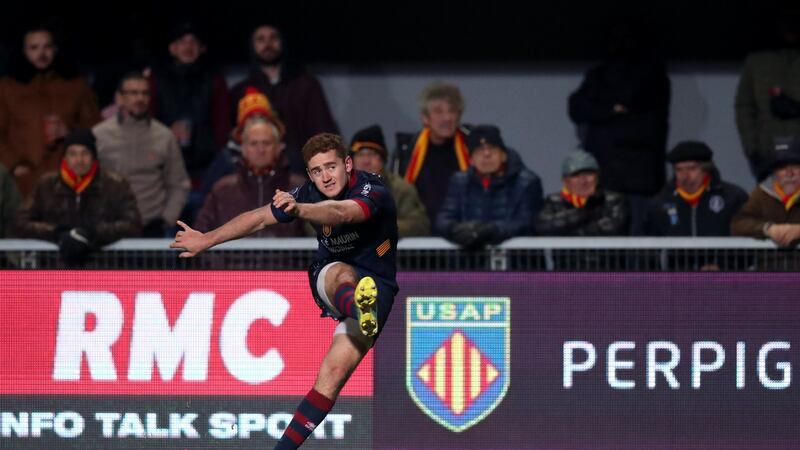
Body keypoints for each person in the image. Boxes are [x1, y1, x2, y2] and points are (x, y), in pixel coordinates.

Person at [171, 133, 397, 450]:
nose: (325, 177)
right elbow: (259, 218)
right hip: (331, 273)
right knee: (343, 274)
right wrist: (206, 239)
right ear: (309, 174)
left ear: (347, 164)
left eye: (331, 167)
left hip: (379, 284)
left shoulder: (374, 190)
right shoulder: (305, 193)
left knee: (333, 373)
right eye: (317, 171)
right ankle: (360, 308)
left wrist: (299, 210)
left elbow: (342, 213)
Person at [567, 23, 670, 234]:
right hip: (605, 178)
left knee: (638, 246)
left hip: (640, 181)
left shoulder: (653, 77)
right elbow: (576, 108)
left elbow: (646, 122)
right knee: (604, 245)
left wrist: (603, 113)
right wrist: (613, 111)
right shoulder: (598, 75)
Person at [0, 22, 101, 197]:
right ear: (24, 51)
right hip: (23, 180)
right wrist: (14, 164)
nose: (42, 53)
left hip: (68, 177)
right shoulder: (8, 88)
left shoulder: (76, 86)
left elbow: (96, 128)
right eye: (34, 47)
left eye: (47, 47)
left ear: (55, 49)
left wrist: (70, 132)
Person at [14, 128, 141, 263]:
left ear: (93, 156)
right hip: (55, 268)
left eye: (85, 153)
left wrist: (92, 234)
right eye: (73, 154)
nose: (79, 160)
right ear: (65, 157)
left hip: (101, 267)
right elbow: (21, 222)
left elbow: (132, 223)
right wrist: (57, 233)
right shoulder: (46, 185)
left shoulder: (115, 185)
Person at [230, 24, 337, 174]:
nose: (268, 44)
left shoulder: (307, 86)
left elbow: (323, 131)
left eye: (273, 38)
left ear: (283, 43)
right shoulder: (240, 92)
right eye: (261, 39)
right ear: (252, 47)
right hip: (254, 174)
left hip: (301, 172)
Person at [93, 71, 191, 237]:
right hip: (108, 228)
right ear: (119, 98)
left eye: (145, 93)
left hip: (151, 228)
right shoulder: (99, 135)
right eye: (133, 93)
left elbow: (179, 185)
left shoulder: (164, 136)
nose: (140, 99)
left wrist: (166, 220)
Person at [194, 116, 305, 237]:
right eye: (254, 143)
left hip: (287, 256)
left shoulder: (299, 188)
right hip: (232, 256)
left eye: (266, 143)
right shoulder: (222, 190)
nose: (260, 149)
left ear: (279, 148)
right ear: (243, 149)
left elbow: (320, 239)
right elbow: (201, 236)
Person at [435, 124, 542, 248]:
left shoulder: (527, 182)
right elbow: (443, 219)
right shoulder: (459, 181)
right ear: (471, 160)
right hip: (470, 262)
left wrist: (490, 230)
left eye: (492, 148)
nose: (486, 154)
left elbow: (527, 222)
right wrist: (456, 230)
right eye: (479, 150)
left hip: (516, 263)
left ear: (503, 155)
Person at [735, 8, 800, 179]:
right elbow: (744, 107)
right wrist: (752, 148)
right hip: (767, 152)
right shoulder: (757, 60)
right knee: (770, 203)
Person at [395, 81, 471, 225]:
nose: (447, 117)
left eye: (452, 110)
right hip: (419, 237)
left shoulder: (472, 145)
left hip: (463, 235)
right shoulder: (406, 149)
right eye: (439, 111)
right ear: (425, 118)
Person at [644, 141, 748, 236]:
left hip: (721, 257)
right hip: (677, 257)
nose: (685, 176)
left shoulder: (733, 198)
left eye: (691, 168)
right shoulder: (660, 203)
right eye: (679, 170)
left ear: (706, 169)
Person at [351, 124, 430, 237]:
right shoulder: (337, 188)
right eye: (360, 155)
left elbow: (420, 225)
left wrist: (381, 228)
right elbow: (317, 224)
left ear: (383, 160)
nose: (366, 161)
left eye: (372, 154)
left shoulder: (400, 189)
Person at [535, 150, 628, 236]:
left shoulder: (613, 200)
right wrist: (583, 212)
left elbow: (614, 229)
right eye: (575, 175)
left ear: (598, 176)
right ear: (565, 181)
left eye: (588, 174)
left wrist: (569, 230)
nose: (583, 181)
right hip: (566, 254)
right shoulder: (554, 201)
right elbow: (542, 228)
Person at [731, 146, 800, 246]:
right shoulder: (761, 193)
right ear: (773, 172)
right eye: (781, 168)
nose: (789, 174)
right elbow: (738, 224)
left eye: (796, 166)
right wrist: (768, 229)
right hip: (769, 261)